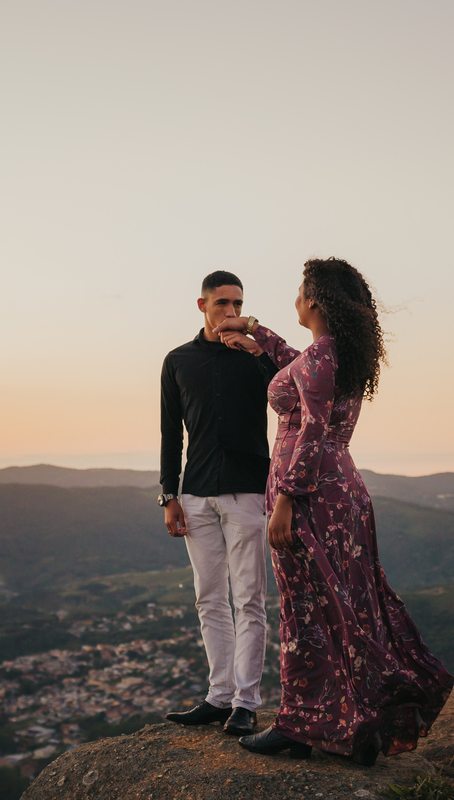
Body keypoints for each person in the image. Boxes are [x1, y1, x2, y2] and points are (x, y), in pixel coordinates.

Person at [213, 257, 454, 764]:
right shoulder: (328, 352)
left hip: (311, 498)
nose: (295, 300)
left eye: (300, 293)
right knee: (340, 607)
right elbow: (295, 365)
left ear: (315, 301)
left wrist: (285, 500)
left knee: (306, 610)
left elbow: (314, 429)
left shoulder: (322, 356)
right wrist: (254, 332)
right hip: (337, 494)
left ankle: (303, 726)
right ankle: (354, 722)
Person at [159, 270, 278, 737]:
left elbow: (292, 401)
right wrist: (170, 495)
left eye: (238, 304)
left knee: (249, 599)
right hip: (196, 493)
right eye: (222, 303)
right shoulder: (177, 361)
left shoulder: (258, 358)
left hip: (248, 489)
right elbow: (171, 432)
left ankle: (246, 703)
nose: (231, 312)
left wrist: (257, 350)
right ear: (202, 305)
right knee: (209, 598)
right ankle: (218, 696)